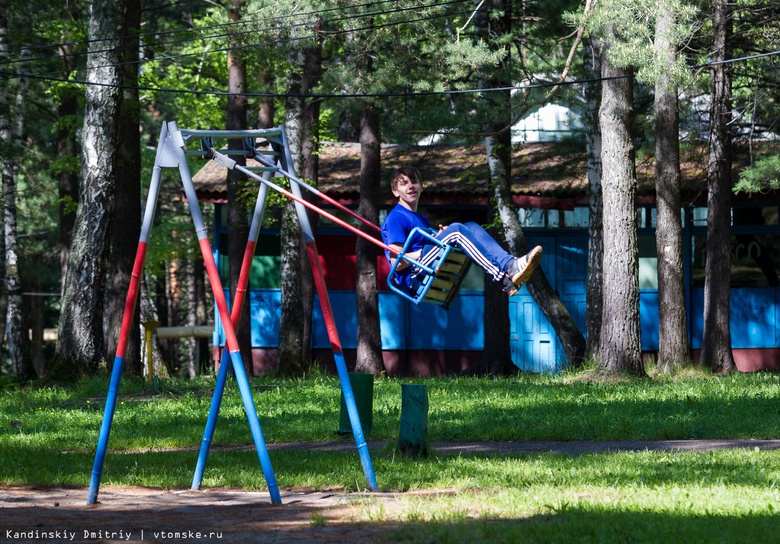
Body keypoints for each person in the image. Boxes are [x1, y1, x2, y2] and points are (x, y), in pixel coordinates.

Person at [381, 166, 543, 297]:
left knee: (471, 226)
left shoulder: (421, 219)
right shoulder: (396, 218)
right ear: (395, 192)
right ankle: (504, 276)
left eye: (414, 182)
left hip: (424, 264)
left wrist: (437, 238)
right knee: (457, 230)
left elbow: (423, 245)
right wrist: (428, 249)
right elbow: (397, 262)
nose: (410, 186)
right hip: (413, 276)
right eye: (404, 183)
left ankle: (509, 263)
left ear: (421, 187)